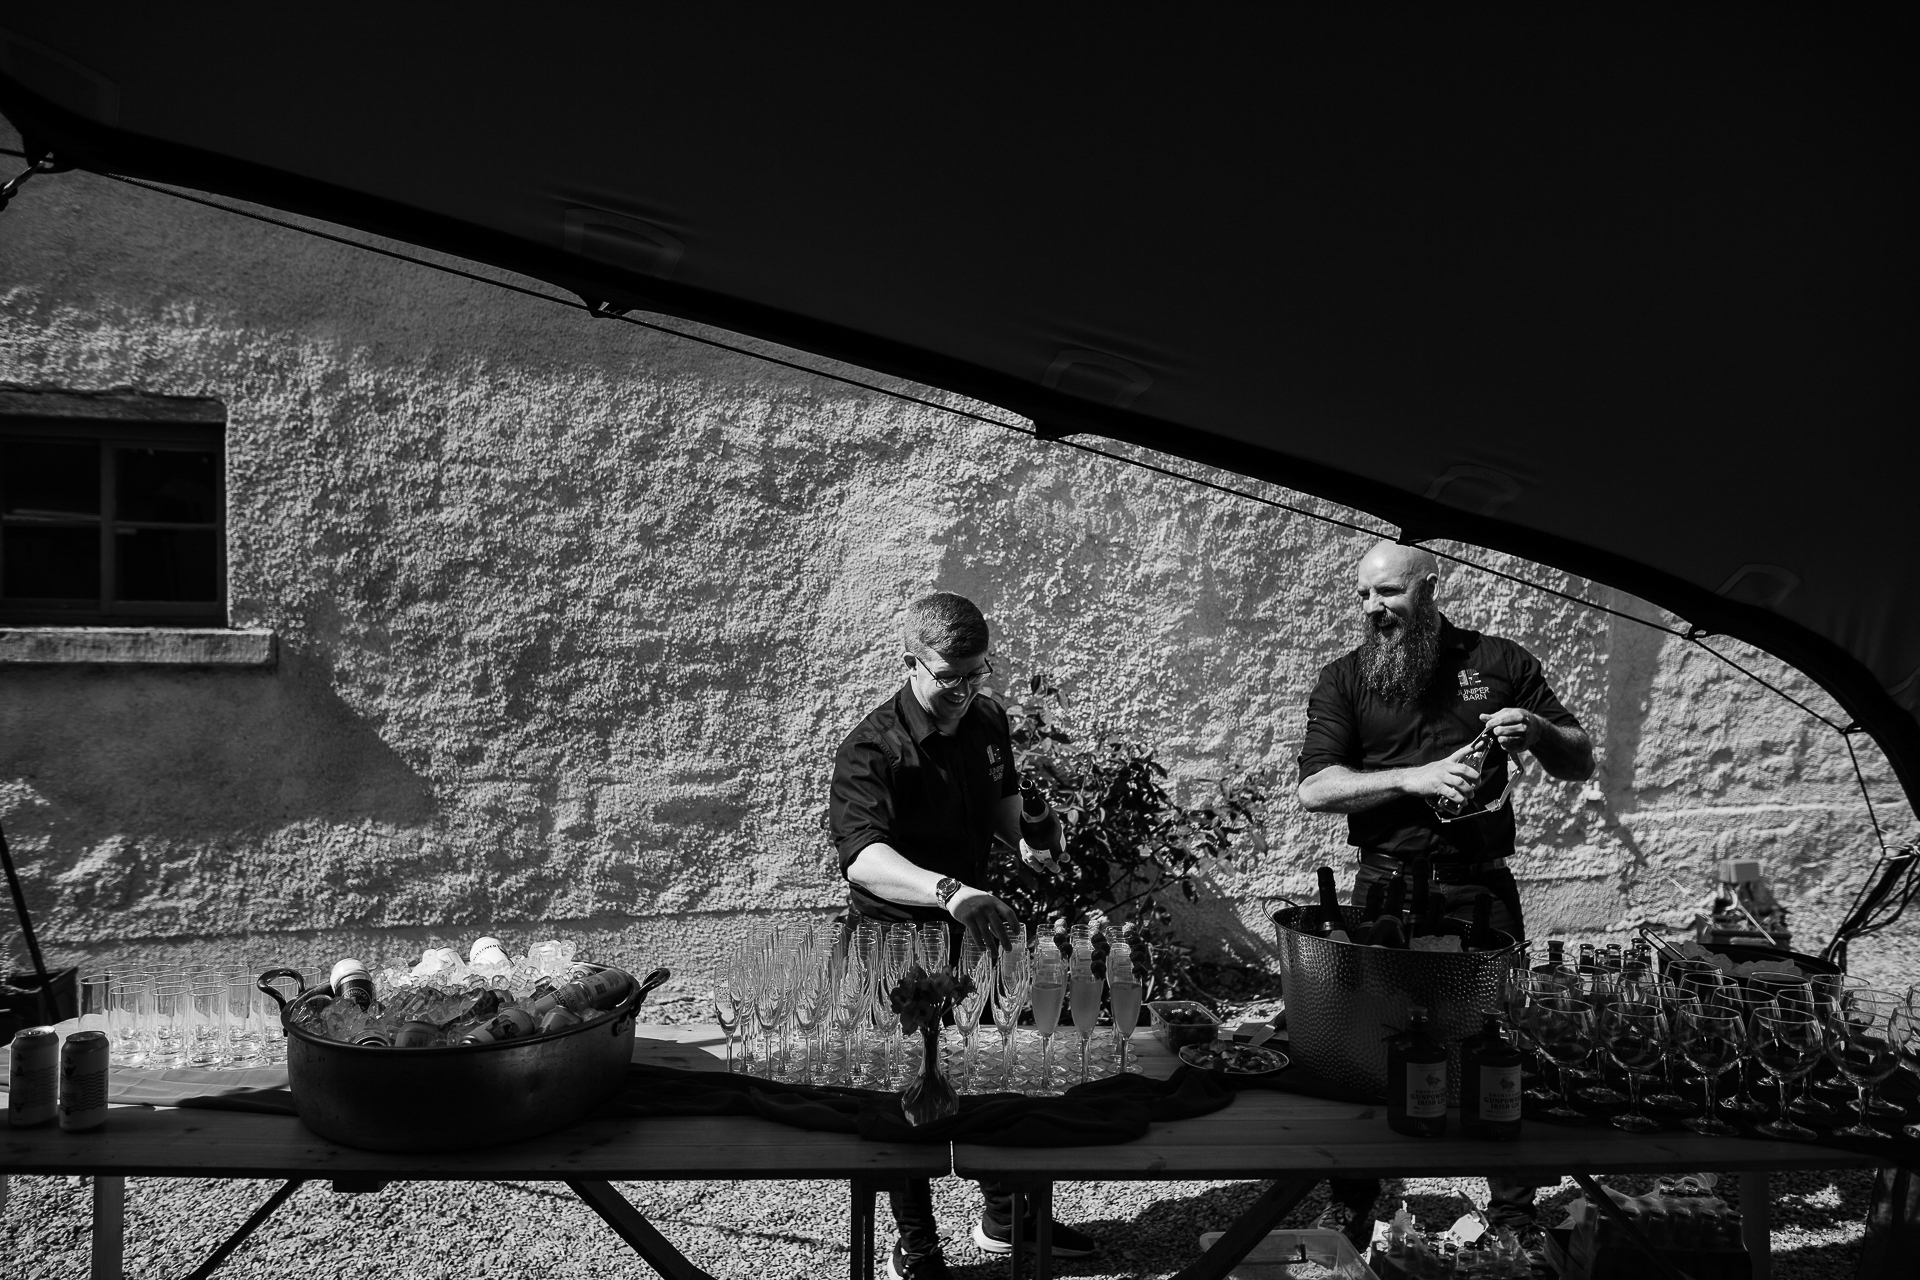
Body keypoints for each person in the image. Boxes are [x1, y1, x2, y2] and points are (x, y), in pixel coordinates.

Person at [1296, 540, 1594, 1251]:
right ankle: (1356, 1200)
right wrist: (1414, 778)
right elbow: (1315, 788)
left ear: (1429, 589)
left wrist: (1540, 729)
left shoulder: (1501, 664)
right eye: (1364, 596)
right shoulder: (1345, 678)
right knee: (1364, 1042)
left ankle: (1513, 1209)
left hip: (1479, 883)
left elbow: (1579, 758)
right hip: (1384, 887)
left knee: (1499, 1033)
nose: (1374, 609)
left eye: (1389, 594)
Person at [830, 590, 1098, 1280]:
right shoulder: (870, 747)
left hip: (975, 931)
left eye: (976, 673)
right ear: (909, 664)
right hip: (896, 944)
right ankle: (915, 1246)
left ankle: (1005, 1218)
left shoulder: (986, 719)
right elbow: (863, 857)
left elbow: (1008, 820)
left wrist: (1035, 830)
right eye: (948, 676)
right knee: (908, 1095)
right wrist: (948, 890)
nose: (963, 690)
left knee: (997, 1073)